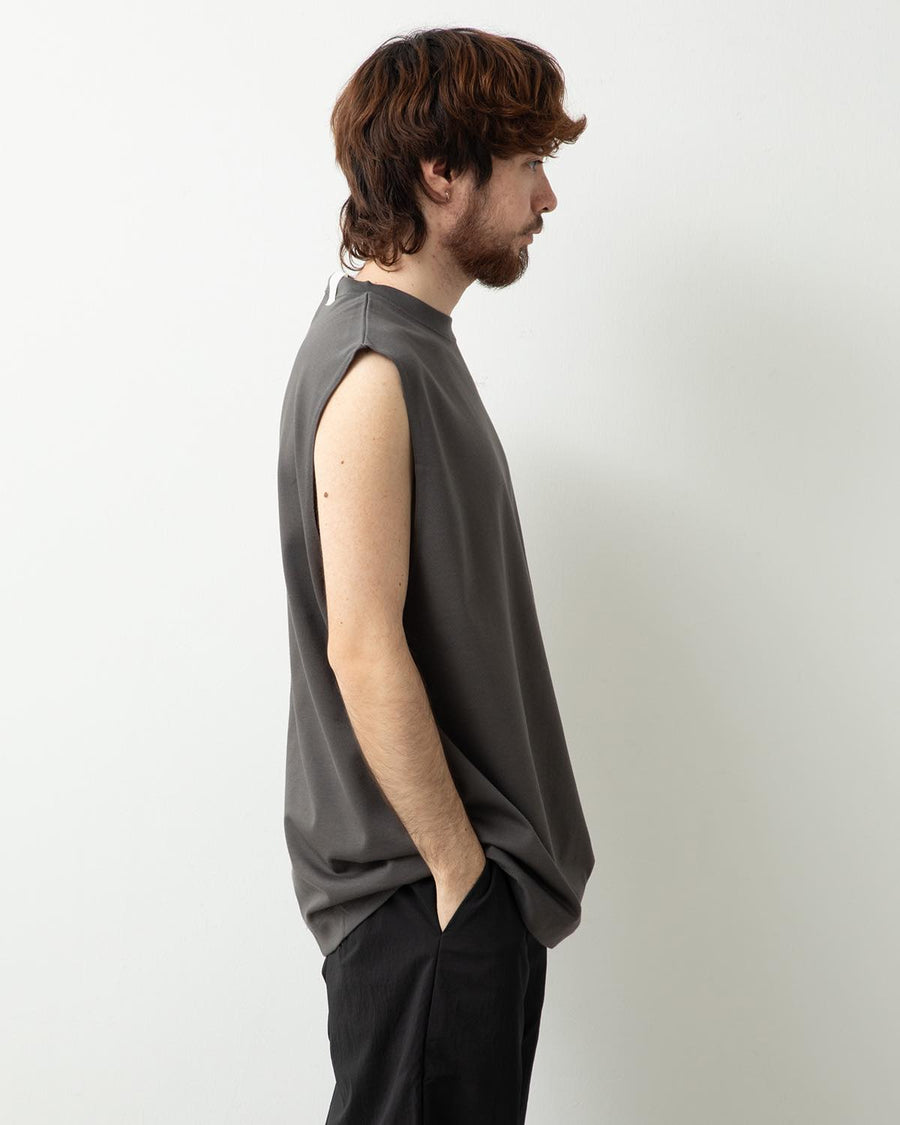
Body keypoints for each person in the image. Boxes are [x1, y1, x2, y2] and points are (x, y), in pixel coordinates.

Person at [276, 26, 594, 1125]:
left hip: (447, 899)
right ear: (441, 170)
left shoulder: (409, 347)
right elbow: (362, 645)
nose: (547, 196)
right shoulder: (373, 366)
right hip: (425, 898)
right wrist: (462, 877)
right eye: (529, 161)